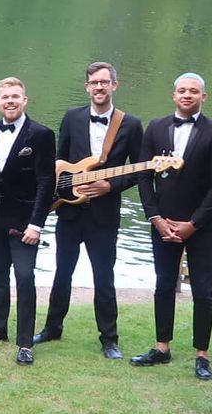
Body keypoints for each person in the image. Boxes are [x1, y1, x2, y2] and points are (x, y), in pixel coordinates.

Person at [34, 61, 144, 359]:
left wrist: (111, 186)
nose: (99, 87)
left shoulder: (131, 124)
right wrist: (62, 194)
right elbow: (59, 163)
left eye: (104, 82)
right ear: (87, 86)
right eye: (94, 82)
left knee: (103, 277)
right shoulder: (71, 117)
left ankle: (109, 339)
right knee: (62, 272)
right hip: (70, 212)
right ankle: (52, 328)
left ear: (114, 86)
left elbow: (138, 171)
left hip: (104, 214)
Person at [133, 72, 212, 381]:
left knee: (202, 291)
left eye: (193, 91)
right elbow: (143, 175)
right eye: (181, 91)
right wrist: (156, 219)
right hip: (162, 224)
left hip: (200, 226)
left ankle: (202, 355)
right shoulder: (156, 128)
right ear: (173, 95)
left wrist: (193, 224)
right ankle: (162, 347)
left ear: (204, 96)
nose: (187, 95)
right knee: (164, 285)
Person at [0, 77, 56, 365]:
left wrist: (36, 224)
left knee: (25, 277)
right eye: (5, 97)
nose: (10, 101)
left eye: (15, 96)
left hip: (25, 223)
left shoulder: (41, 134)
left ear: (25, 100)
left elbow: (46, 182)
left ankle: (26, 343)